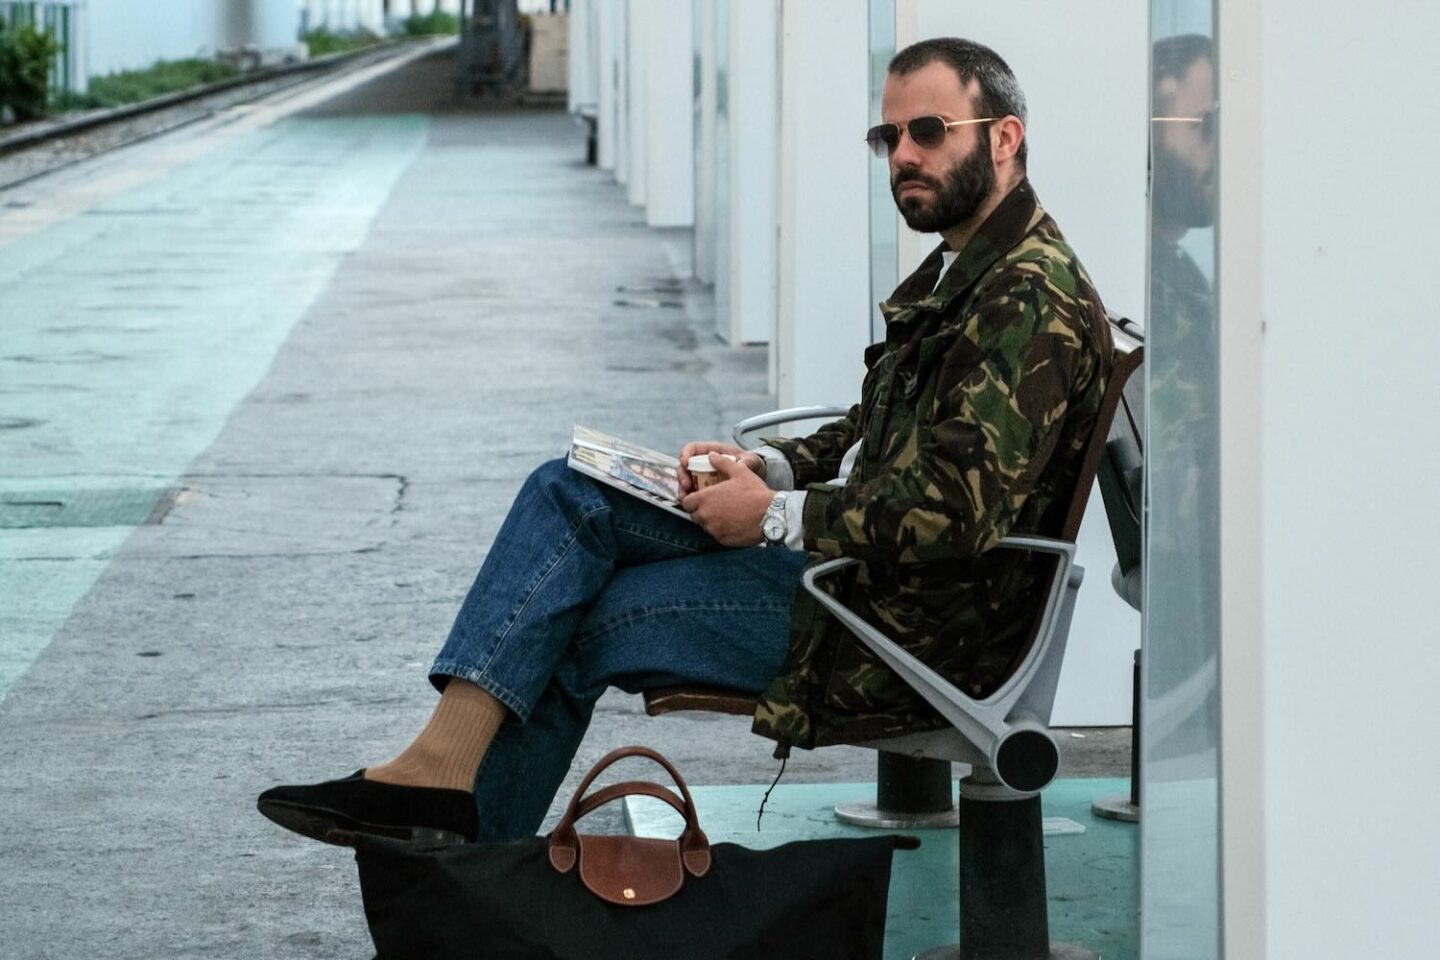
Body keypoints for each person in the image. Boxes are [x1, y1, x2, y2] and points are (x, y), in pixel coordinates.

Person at [257, 37, 1113, 847]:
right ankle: (439, 797)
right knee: (570, 490)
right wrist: (767, 468)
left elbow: (953, 513)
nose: (903, 155)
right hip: (870, 584)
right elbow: (878, 430)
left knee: (581, 618)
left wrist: (774, 515)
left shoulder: (1026, 298)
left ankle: (451, 845)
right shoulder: (973, 264)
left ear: (1005, 138)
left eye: (928, 131)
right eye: (887, 135)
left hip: (905, 628)